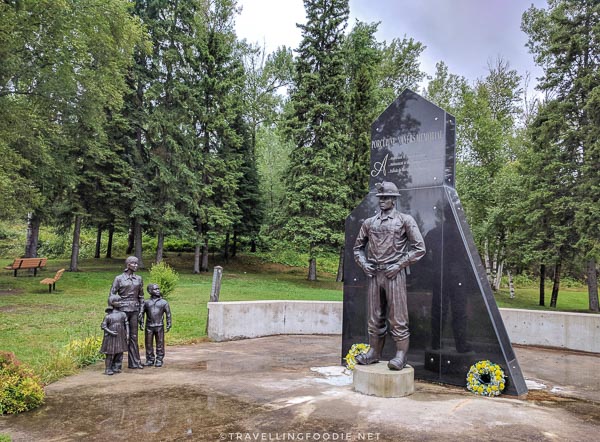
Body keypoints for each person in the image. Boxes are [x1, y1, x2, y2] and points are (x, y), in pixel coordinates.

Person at [353, 181, 426, 370]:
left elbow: (420, 248)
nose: (382, 201)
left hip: (394, 274)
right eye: (380, 198)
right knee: (374, 316)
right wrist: (364, 264)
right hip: (374, 274)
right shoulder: (369, 222)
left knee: (398, 317)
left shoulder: (405, 220)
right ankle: (374, 352)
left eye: (386, 198)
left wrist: (399, 265)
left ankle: (401, 355)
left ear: (394, 200)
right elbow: (357, 248)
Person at [109, 256, 144, 369]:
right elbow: (112, 295)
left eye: (137, 263)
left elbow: (141, 296)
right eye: (134, 263)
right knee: (120, 336)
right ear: (128, 264)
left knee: (133, 336)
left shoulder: (139, 279)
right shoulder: (119, 279)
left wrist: (141, 310)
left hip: (134, 310)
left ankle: (134, 362)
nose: (136, 266)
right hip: (122, 310)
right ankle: (116, 364)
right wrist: (113, 311)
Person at [139, 283, 172, 367]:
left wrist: (169, 323)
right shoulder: (146, 302)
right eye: (155, 289)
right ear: (150, 291)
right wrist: (141, 322)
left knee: (160, 343)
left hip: (159, 326)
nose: (158, 290)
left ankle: (159, 359)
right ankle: (150, 359)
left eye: (158, 289)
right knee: (148, 344)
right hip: (149, 326)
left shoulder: (164, 302)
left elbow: (168, 314)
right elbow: (141, 313)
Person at [100, 303, 129, 376]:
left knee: (120, 352)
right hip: (111, 338)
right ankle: (108, 368)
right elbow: (103, 326)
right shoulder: (108, 316)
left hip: (120, 336)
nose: (120, 302)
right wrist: (111, 332)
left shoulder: (123, 314)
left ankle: (116, 367)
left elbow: (126, 324)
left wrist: (127, 334)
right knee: (110, 353)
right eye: (118, 301)